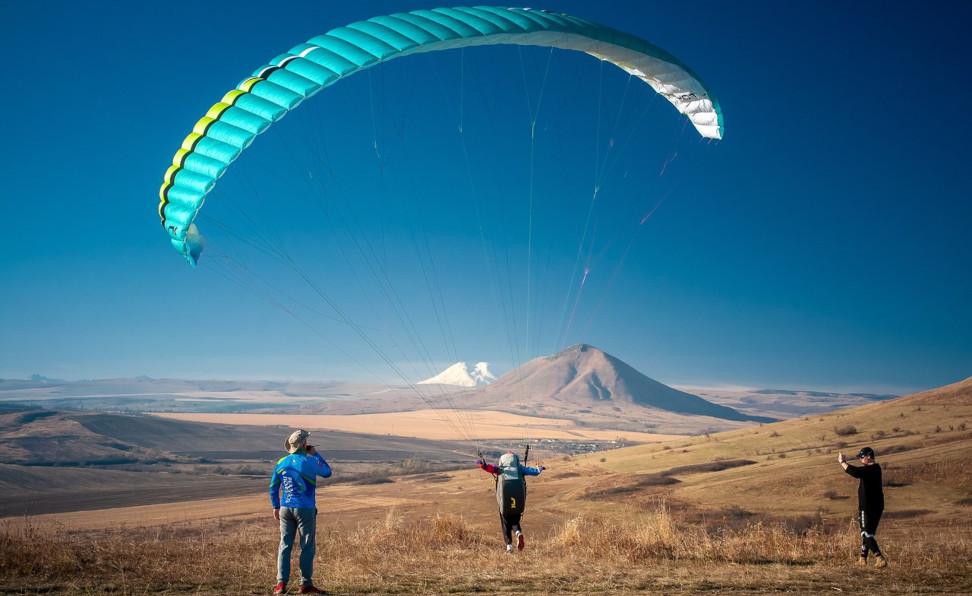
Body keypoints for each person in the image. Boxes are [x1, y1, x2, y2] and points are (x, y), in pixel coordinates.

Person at [270, 429, 332, 595]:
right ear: (304, 444)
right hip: (305, 509)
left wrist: (275, 506)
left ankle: (281, 584)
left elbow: (273, 487)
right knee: (307, 546)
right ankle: (305, 584)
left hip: (285, 508)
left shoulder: (281, 462)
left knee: (284, 546)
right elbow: (327, 472)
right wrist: (316, 454)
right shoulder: (309, 461)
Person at [477, 451, 545, 553]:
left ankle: (509, 547)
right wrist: (540, 468)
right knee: (515, 520)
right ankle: (518, 532)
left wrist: (481, 464)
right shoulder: (519, 468)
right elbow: (534, 472)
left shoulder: (500, 468)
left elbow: (488, 468)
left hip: (505, 501)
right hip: (517, 501)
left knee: (505, 522)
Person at [838, 446, 887, 568]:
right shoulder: (875, 469)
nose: (860, 460)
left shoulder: (871, 469)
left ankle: (879, 558)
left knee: (865, 533)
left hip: (868, 507)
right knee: (869, 534)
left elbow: (855, 472)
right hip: (877, 507)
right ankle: (862, 558)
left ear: (868, 456)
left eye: (861, 457)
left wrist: (842, 462)